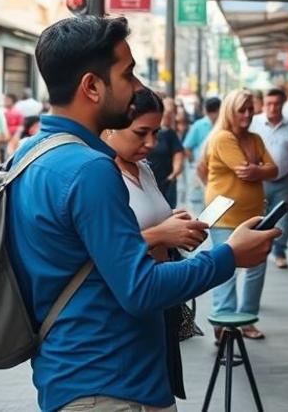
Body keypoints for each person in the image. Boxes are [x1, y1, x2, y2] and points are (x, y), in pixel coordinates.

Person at [5, 16, 279, 412]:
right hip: (111, 382)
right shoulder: (90, 170)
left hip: (71, 374)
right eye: (128, 74)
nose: (136, 88)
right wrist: (229, 256)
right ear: (92, 86)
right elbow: (140, 289)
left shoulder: (30, 154)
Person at [103, 89, 209, 401]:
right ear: (110, 127)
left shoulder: (144, 168)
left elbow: (148, 219)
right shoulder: (100, 175)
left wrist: (174, 222)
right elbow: (102, 249)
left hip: (161, 296)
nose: (151, 143)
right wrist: (161, 234)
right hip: (127, 308)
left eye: (156, 132)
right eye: (140, 133)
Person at [201, 88, 278, 340]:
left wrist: (259, 170)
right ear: (229, 111)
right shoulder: (223, 137)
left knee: (257, 266)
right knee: (227, 267)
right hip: (224, 215)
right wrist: (259, 168)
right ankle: (223, 320)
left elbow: (274, 169)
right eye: (241, 110)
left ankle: (246, 319)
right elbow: (245, 170)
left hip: (254, 213)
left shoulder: (254, 138)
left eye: (249, 109)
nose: (247, 114)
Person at [251, 87, 288, 269]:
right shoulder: (254, 123)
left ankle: (279, 251)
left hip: (285, 180)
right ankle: (259, 249)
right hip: (260, 180)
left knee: (283, 219)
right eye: (269, 104)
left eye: (276, 104)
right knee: (260, 217)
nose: (272, 108)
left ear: (283, 105)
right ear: (263, 104)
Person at [145, 95, 185, 209]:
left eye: (171, 113)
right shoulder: (147, 130)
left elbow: (178, 153)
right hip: (147, 183)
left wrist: (173, 175)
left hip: (166, 183)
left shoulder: (169, 133)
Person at [182, 96, 220, 212]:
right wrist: (194, 163)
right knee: (198, 202)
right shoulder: (199, 125)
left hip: (215, 171)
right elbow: (187, 147)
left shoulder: (222, 126)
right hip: (199, 168)